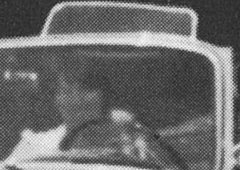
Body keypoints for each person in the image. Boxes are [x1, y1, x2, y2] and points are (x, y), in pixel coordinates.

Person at [9, 63, 152, 163]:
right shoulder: (35, 146)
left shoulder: (135, 141)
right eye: (66, 91)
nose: (78, 99)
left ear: (104, 95)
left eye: (88, 89)